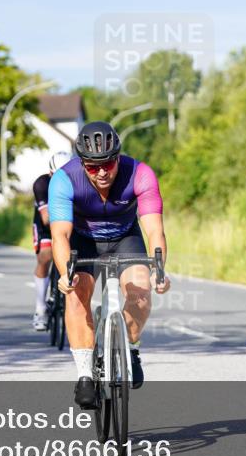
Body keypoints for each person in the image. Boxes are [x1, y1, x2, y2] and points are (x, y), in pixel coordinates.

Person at [48, 122, 170, 408]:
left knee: (140, 292)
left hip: (126, 237)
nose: (102, 172)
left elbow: (155, 230)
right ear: (82, 163)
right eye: (93, 167)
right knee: (76, 295)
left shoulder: (140, 174)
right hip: (83, 240)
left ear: (118, 157)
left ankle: (131, 348)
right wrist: (66, 273)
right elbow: (60, 235)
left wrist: (159, 271)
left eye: (108, 164)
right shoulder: (64, 179)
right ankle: (85, 375)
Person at [31, 151, 73, 331]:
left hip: (70, 223)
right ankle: (40, 308)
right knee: (46, 256)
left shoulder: (78, 181)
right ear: (50, 174)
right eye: (57, 176)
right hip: (46, 225)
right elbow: (47, 218)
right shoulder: (41, 184)